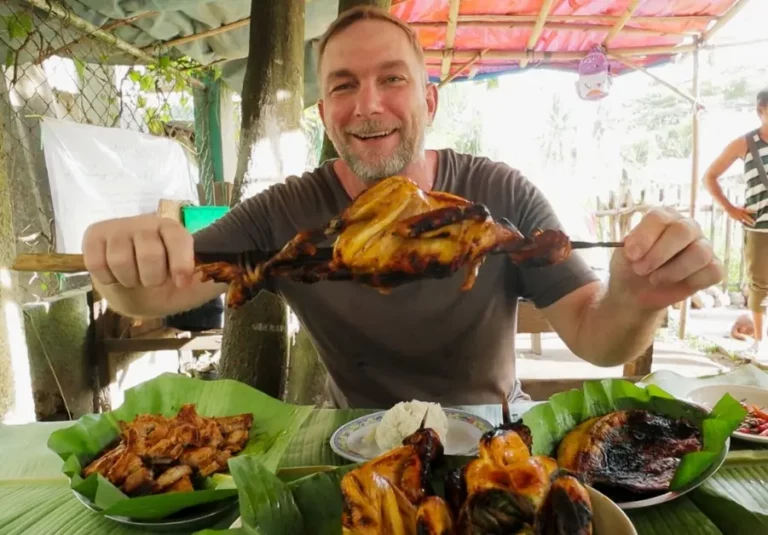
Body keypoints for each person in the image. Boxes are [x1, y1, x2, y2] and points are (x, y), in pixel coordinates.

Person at [82, 6, 724, 409]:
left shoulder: (501, 195)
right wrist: (123, 269)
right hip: (357, 439)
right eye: (343, 86)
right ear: (326, 115)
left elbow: (596, 338)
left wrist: (635, 299)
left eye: (392, 79)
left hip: (491, 433)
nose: (368, 105)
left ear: (430, 103)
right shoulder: (287, 211)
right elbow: (165, 289)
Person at [703, 88, 768, 358]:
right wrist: (730, 208)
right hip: (758, 227)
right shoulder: (745, 143)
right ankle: (759, 343)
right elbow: (710, 176)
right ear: (760, 112)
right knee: (759, 284)